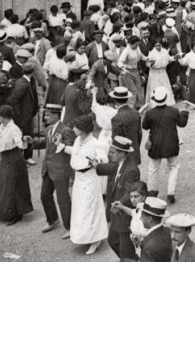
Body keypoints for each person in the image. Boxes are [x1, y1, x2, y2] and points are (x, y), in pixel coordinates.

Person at [63, 113, 109, 255]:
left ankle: (96, 239)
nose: (73, 129)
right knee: (80, 210)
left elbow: (104, 159)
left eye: (76, 127)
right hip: (79, 179)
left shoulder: (95, 143)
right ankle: (82, 236)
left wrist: (96, 162)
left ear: (82, 128)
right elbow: (75, 153)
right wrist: (60, 145)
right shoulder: (77, 140)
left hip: (89, 179)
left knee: (90, 209)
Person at [32, 103, 74, 236]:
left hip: (60, 170)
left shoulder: (66, 130)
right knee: (45, 195)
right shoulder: (50, 129)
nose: (45, 117)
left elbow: (71, 149)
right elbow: (47, 143)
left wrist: (61, 144)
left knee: (63, 199)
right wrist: (31, 142)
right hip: (48, 169)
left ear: (56, 115)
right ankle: (53, 220)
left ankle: (70, 227)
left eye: (48, 115)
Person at [95, 136, 140, 261]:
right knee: (113, 240)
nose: (110, 154)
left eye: (113, 152)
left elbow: (129, 192)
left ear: (122, 153)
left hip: (125, 216)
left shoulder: (131, 170)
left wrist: (119, 204)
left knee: (126, 250)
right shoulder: (120, 164)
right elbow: (110, 168)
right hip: (118, 214)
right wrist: (96, 165)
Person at [142, 86, 188, 204]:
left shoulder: (150, 113)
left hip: (155, 144)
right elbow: (182, 123)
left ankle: (152, 191)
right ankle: (170, 193)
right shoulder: (173, 111)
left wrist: (144, 113)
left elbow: (145, 126)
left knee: (153, 169)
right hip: (171, 143)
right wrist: (184, 110)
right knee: (173, 167)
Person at [138, 197, 173, 262]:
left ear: (149, 219)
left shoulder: (148, 246)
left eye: (142, 216)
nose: (140, 218)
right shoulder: (169, 231)